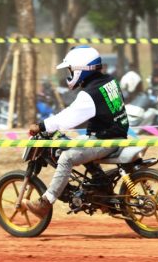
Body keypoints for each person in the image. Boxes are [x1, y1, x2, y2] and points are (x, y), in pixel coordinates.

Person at [24, 45, 129, 218]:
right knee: (76, 143)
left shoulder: (90, 94)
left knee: (66, 157)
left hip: (105, 140)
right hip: (114, 134)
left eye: (71, 69)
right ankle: (101, 187)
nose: (70, 73)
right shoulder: (109, 81)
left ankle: (46, 202)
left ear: (81, 68)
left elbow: (68, 119)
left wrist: (41, 126)